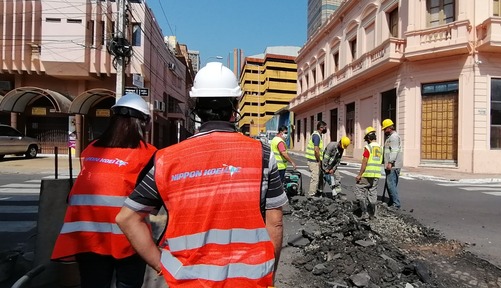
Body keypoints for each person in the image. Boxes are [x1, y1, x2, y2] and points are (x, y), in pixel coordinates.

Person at [115, 62, 287, 287]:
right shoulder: (263, 155)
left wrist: (161, 264)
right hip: (250, 281)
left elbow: (127, 218)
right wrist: (268, 275)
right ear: (234, 106)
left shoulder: (166, 159)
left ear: (195, 107)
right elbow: (275, 224)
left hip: (188, 281)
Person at [51, 92, 157, 288]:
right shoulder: (148, 154)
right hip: (129, 238)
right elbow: (153, 202)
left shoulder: (90, 149)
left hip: (87, 237)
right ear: (143, 123)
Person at [354, 127, 383, 220]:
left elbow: (364, 162)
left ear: (369, 138)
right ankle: (373, 213)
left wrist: (359, 175)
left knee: (359, 190)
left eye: (366, 139)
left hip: (367, 174)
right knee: (373, 192)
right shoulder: (380, 147)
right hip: (376, 174)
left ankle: (364, 211)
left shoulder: (368, 148)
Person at [382, 118, 403, 209]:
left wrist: (390, 162)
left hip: (393, 165)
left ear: (389, 128)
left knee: (391, 184)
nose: (384, 130)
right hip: (391, 165)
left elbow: (394, 150)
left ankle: (396, 203)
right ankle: (391, 201)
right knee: (390, 184)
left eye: (385, 129)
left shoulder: (394, 137)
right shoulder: (390, 137)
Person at [305, 120, 327, 197]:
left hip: (313, 160)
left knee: (318, 177)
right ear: (321, 128)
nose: (325, 129)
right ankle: (311, 195)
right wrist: (318, 160)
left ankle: (316, 192)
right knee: (315, 178)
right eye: (325, 128)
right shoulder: (317, 136)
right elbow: (316, 150)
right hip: (313, 161)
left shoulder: (317, 135)